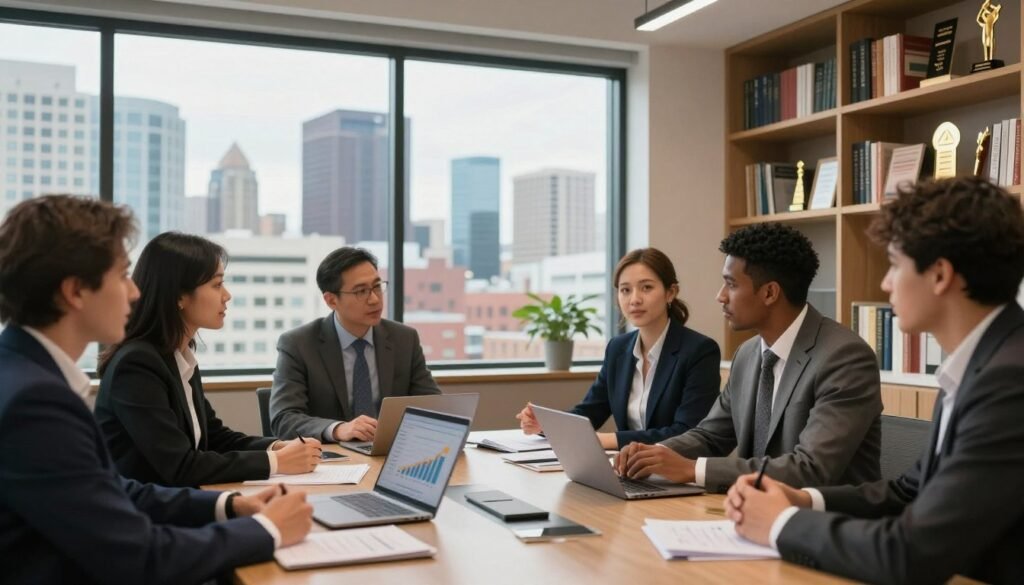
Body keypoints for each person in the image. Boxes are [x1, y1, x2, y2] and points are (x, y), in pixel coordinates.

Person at [725, 176, 1024, 585]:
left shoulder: (1009, 382)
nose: (885, 283)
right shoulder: (979, 365)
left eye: (895, 265)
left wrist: (781, 523)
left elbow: (909, 555)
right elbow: (907, 492)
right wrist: (803, 499)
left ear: (939, 275)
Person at [0, 195, 311, 584]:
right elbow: (137, 557)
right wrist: (268, 530)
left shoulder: (22, 373)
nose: (134, 292)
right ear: (75, 291)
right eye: (122, 275)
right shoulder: (35, 402)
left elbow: (114, 489)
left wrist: (228, 504)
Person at [616, 223, 882, 492]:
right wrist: (651, 454)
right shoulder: (748, 354)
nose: (720, 296)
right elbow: (710, 435)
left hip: (826, 524)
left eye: (730, 284)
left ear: (769, 293)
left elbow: (810, 469)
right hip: (756, 513)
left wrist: (691, 469)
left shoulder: (844, 358)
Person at [96, 232, 322, 486]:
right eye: (217, 284)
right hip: (149, 514)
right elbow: (180, 465)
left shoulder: (178, 357)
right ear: (179, 296)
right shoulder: (137, 365)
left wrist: (278, 446)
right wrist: (277, 462)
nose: (227, 295)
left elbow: (215, 438)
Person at [515, 248, 720, 449]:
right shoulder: (618, 348)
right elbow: (590, 412)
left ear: (671, 292)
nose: (634, 299)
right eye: (625, 290)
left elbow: (687, 432)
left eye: (646, 287)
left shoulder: (699, 351)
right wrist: (546, 424)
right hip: (628, 470)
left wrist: (609, 440)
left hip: (677, 474)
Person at [270, 246, 440, 442]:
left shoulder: (404, 339)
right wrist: (338, 429)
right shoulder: (299, 344)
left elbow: (432, 406)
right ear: (331, 300)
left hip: (390, 453)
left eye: (377, 286)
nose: (375, 299)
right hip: (331, 460)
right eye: (361, 291)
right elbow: (284, 419)